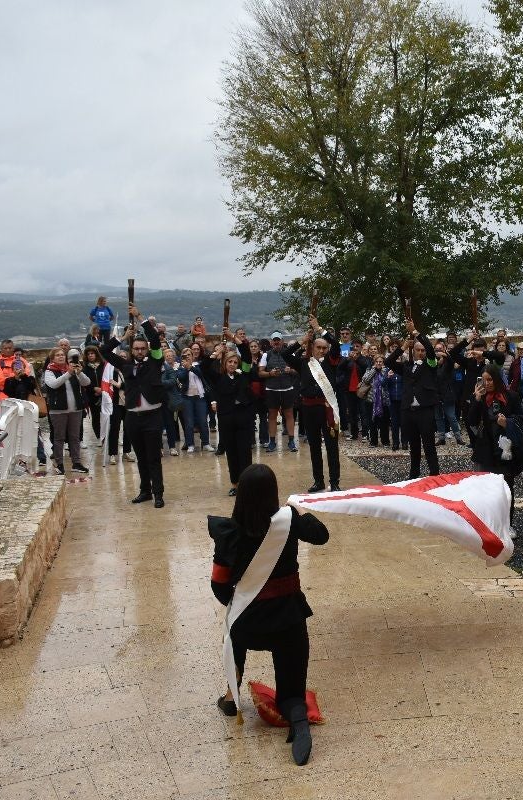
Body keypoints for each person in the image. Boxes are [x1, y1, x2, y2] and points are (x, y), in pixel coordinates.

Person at [209, 464, 328, 765]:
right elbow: (322, 536)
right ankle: (298, 720)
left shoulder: (229, 533)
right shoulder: (288, 522)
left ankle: (230, 697)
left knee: (233, 628)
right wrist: (301, 514)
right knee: (291, 695)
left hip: (249, 624)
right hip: (289, 620)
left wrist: (241, 602)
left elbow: (220, 586)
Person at [102, 306, 167, 508]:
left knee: (153, 457)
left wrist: (140, 318)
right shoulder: (125, 365)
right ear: (132, 350)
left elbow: (155, 339)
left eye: (142, 348)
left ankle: (158, 493)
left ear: (147, 349)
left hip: (153, 415)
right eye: (136, 348)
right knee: (141, 457)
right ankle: (145, 491)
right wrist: (122, 337)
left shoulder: (156, 361)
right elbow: (104, 351)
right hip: (132, 417)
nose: (139, 351)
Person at [284, 317, 342, 493]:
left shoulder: (332, 362)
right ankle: (319, 481)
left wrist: (320, 329)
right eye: (319, 347)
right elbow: (286, 355)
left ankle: (335, 481)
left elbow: (336, 346)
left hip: (327, 409)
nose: (322, 350)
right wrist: (302, 342)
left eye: (324, 348)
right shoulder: (304, 363)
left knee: (332, 447)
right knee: (314, 446)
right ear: (313, 348)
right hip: (309, 409)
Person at [467, 363, 523, 520]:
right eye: (484, 380)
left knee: (505, 487)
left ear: (498, 379)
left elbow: (522, 420)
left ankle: (508, 522)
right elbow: (470, 421)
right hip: (485, 446)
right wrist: (477, 399)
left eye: (490, 379)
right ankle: (488, 521)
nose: (487, 383)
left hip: (505, 446)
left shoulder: (510, 396)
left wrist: (507, 423)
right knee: (484, 488)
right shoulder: (479, 396)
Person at [201, 328, 256, 496]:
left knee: (245, 452)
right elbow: (204, 367)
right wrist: (217, 353)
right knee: (232, 453)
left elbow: (246, 354)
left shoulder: (243, 374)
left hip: (244, 418)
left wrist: (233, 337)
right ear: (224, 364)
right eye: (229, 362)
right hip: (226, 419)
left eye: (234, 362)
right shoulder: (218, 378)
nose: (232, 364)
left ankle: (247, 485)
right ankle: (235, 483)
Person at [385, 321, 441, 479]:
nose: (422, 352)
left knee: (429, 445)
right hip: (408, 410)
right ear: (414, 351)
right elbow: (389, 362)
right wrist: (402, 346)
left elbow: (431, 350)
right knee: (414, 446)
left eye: (423, 350)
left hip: (425, 410)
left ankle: (434, 474)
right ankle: (414, 474)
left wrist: (415, 332)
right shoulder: (406, 366)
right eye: (418, 350)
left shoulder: (431, 365)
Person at [44, 347, 92, 475]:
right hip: (58, 410)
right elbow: (54, 384)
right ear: (52, 358)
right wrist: (68, 373)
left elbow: (87, 383)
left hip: (76, 408)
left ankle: (76, 463)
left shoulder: (72, 369)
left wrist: (79, 372)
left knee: (75, 437)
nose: (61, 357)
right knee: (59, 437)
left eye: (62, 355)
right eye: (58, 355)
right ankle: (59, 464)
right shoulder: (49, 371)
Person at [261, 332, 298, 453]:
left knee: (289, 415)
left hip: (287, 388)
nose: (276, 342)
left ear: (282, 341)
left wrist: (290, 370)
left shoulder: (290, 353)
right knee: (272, 416)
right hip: (272, 389)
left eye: (278, 340)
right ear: (271, 342)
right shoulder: (266, 355)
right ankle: (272, 441)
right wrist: (270, 373)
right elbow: (260, 372)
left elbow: (299, 370)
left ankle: (291, 441)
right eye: (274, 340)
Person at [179, 349, 213, 453]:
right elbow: (181, 378)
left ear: (193, 355)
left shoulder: (198, 365)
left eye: (189, 354)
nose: (187, 357)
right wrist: (186, 368)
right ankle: (190, 444)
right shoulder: (180, 367)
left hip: (200, 397)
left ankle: (206, 443)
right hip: (187, 398)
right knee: (189, 423)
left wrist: (191, 367)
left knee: (203, 421)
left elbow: (200, 374)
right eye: (185, 355)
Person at [161, 348, 185, 457]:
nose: (168, 357)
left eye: (170, 355)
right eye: (166, 355)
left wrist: (159, 383)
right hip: (155, 401)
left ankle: (172, 447)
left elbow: (172, 381)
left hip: (168, 401)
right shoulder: (152, 367)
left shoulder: (168, 367)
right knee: (157, 426)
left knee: (170, 424)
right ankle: (159, 448)